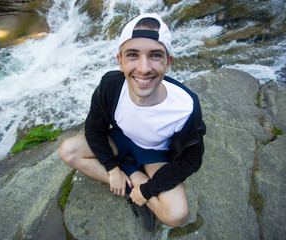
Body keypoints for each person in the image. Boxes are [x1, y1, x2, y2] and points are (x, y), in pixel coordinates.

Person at [59, 12, 206, 231]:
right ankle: (131, 178)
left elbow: (191, 161)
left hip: (156, 154)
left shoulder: (185, 106)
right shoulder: (111, 86)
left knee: (176, 216)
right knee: (68, 151)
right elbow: (94, 129)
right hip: (121, 140)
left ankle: (135, 182)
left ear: (168, 63)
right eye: (133, 55)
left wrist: (149, 189)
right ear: (120, 61)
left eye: (155, 55)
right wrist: (112, 169)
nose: (144, 68)